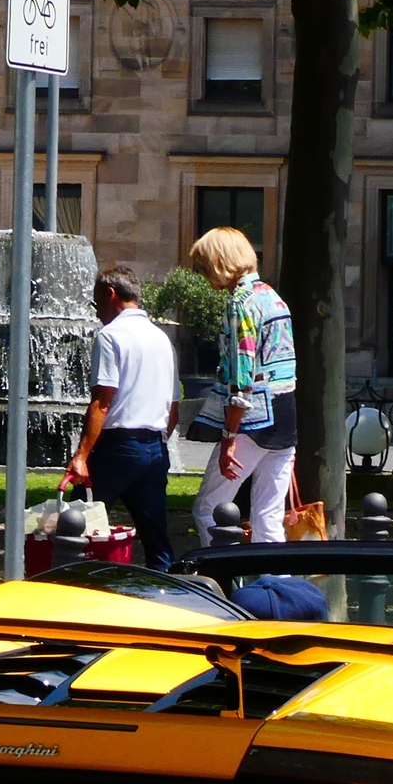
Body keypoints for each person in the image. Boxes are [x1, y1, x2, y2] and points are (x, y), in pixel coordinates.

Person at [185, 226, 299, 545]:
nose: (205, 275)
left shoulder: (240, 302)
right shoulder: (273, 298)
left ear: (220, 262)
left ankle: (225, 580)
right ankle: (276, 589)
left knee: (208, 508)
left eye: (205, 266)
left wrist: (228, 438)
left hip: (253, 420)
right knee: (268, 518)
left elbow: (242, 377)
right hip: (285, 416)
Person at [63, 264, 181, 570]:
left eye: (96, 302)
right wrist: (154, 442)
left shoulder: (110, 336)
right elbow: (174, 407)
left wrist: (81, 455)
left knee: (77, 525)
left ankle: (72, 588)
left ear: (110, 294)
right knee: (156, 537)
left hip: (116, 446)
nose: (97, 311)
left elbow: (102, 402)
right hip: (154, 446)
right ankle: (167, 598)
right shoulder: (162, 340)